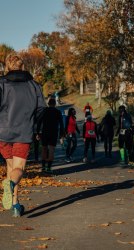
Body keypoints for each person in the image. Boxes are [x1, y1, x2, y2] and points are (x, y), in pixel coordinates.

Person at [0, 53, 46, 217]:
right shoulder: (34, 86)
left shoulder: (1, 84)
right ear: (22, 67)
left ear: (7, 66)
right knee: (18, 169)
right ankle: (10, 186)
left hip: (3, 132)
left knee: (11, 166)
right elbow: (41, 109)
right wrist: (34, 126)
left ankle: (15, 204)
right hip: (24, 132)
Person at [36, 98, 64, 173]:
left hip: (45, 132)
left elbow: (39, 122)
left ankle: (43, 167)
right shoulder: (58, 112)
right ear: (55, 104)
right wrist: (61, 134)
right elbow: (61, 123)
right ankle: (49, 168)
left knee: (44, 149)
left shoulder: (44, 111)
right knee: (51, 150)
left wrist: (38, 132)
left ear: (48, 104)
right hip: (54, 132)